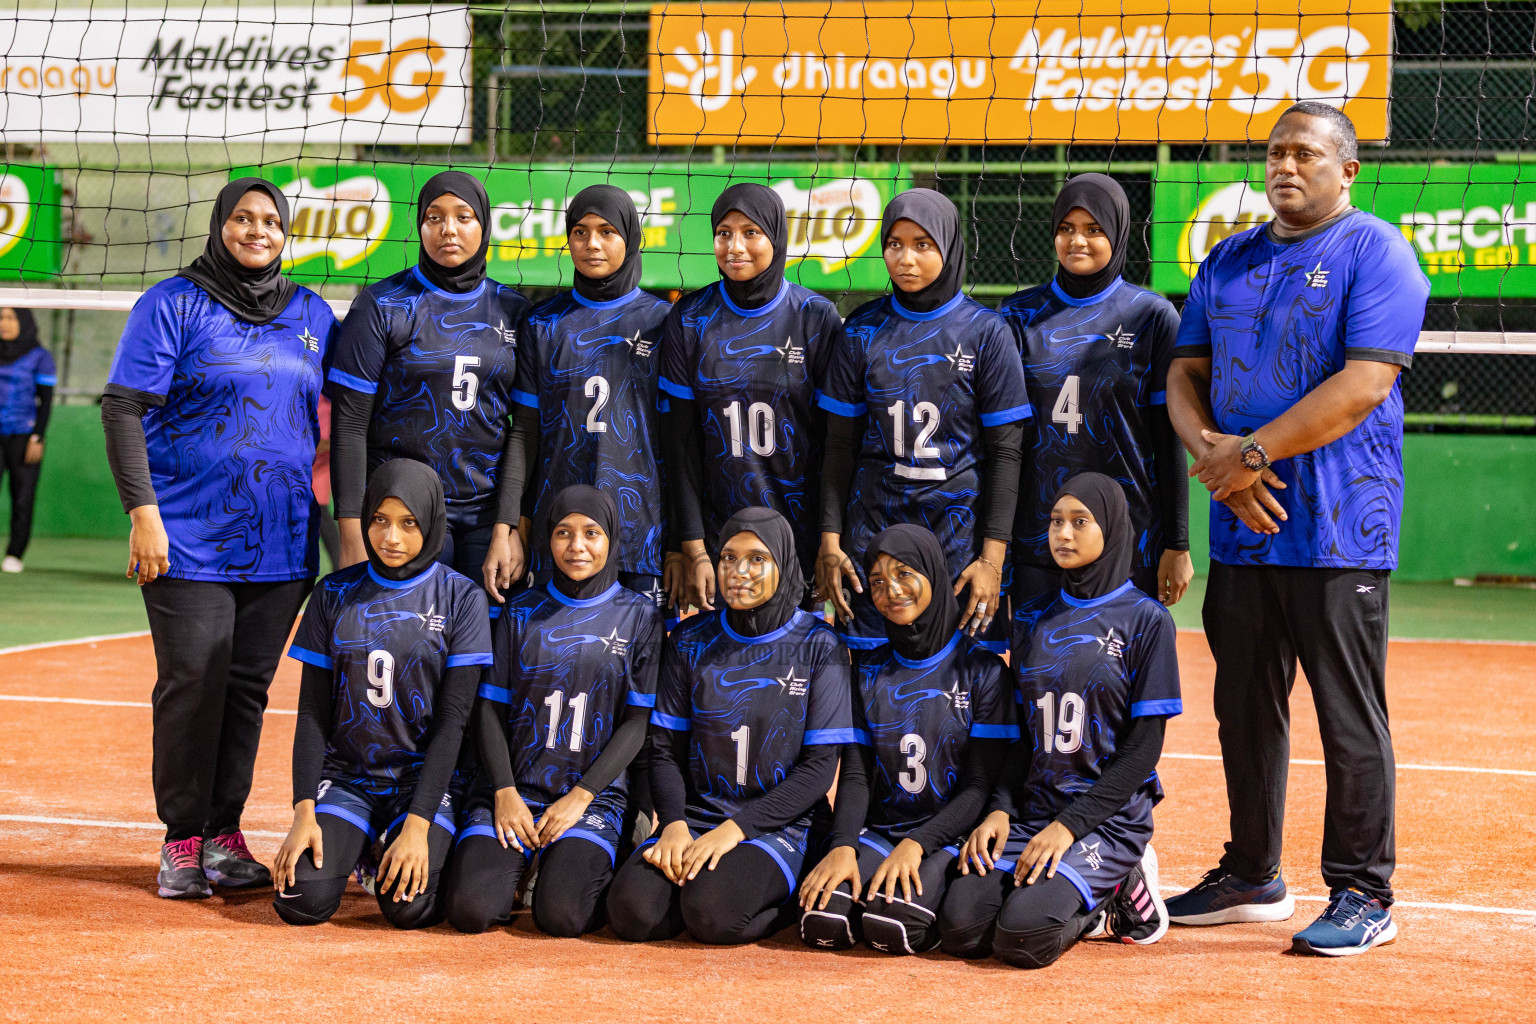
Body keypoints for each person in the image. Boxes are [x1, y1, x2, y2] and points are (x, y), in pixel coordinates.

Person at [1163, 101, 1430, 957]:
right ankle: (1252, 874)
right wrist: (1223, 465)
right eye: (1276, 152)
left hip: (1341, 526)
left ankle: (1364, 891)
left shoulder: (1377, 251)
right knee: (1243, 708)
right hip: (1244, 527)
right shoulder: (1229, 258)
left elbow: (1364, 384)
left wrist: (1244, 455)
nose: (1286, 166)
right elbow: (1183, 374)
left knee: (1349, 717)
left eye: (1306, 154)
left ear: (1346, 169)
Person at [101, 178, 337, 899]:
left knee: (245, 692)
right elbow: (122, 407)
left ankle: (226, 831)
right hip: (187, 538)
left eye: (271, 220)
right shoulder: (171, 304)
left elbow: (330, 419)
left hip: (282, 541)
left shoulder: (312, 312)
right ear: (220, 224)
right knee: (193, 685)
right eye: (243, 217)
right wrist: (143, 512)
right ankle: (182, 839)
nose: (257, 230)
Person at [939, 473, 1180, 967]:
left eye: (1079, 522)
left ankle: (1117, 885)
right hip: (1035, 813)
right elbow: (1026, 738)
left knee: (1022, 938)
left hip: (1105, 821)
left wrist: (1069, 828)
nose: (1062, 534)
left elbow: (1143, 752)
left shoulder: (1147, 620)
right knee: (961, 928)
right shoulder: (1034, 619)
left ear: (1110, 529)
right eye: (1055, 522)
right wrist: (1001, 810)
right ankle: (1070, 891)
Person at [606, 507, 854, 945]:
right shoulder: (689, 639)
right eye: (727, 557)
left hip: (781, 825)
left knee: (712, 915)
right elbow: (664, 749)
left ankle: (787, 899)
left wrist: (736, 830)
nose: (739, 571)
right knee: (631, 913)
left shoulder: (820, 644)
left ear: (783, 561)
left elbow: (818, 770)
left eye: (757, 559)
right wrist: (675, 824)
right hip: (701, 818)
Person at [272, 460, 488, 928]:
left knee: (408, 908)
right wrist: (303, 811)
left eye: (408, 524)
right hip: (350, 778)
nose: (391, 537)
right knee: (299, 899)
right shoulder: (333, 593)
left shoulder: (462, 599)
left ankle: (415, 843)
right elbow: (311, 712)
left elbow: (454, 722)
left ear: (431, 523)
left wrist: (418, 822)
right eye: (380, 520)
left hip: (422, 785)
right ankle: (366, 843)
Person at [443, 484, 662, 936]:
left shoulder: (640, 616)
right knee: (471, 911)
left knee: (561, 916)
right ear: (548, 539)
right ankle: (520, 866)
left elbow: (637, 723)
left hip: (591, 797)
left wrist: (581, 797)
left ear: (612, 539)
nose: (576, 546)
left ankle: (593, 855)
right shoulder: (520, 612)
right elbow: (488, 711)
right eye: (563, 533)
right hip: (516, 791)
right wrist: (503, 791)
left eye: (591, 533)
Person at [818, 189, 1030, 655]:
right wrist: (830, 543)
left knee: (962, 694)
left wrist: (992, 560)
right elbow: (838, 447)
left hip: (957, 539)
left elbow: (1007, 454)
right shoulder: (861, 329)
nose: (905, 258)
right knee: (869, 688)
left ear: (949, 246)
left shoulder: (986, 333)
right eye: (894, 243)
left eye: (923, 245)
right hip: (873, 539)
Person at [798, 524, 1016, 955]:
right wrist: (843, 846)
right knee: (824, 920)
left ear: (934, 573)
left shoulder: (984, 670)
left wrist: (918, 843)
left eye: (903, 574)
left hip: (951, 833)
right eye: (877, 582)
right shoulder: (865, 668)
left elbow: (978, 787)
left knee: (891, 928)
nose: (891, 591)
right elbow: (856, 775)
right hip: (881, 830)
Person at [328, 171, 531, 587]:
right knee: (407, 643)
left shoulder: (513, 310)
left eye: (463, 216)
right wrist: (350, 530)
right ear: (420, 225)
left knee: (481, 646)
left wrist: (510, 526)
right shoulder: (382, 304)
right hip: (401, 512)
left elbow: (523, 429)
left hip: (484, 514)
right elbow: (348, 426)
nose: (448, 229)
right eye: (434, 217)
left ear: (484, 225)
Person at [999, 173, 1191, 611]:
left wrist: (1177, 544)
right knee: (1037, 670)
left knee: (1119, 674)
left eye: (1093, 229)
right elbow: (1004, 441)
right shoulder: (1017, 314)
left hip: (1129, 532)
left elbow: (1167, 439)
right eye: (1066, 229)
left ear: (1118, 233)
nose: (1077, 241)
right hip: (1039, 533)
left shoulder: (1152, 316)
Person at [659, 184, 843, 614]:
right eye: (724, 233)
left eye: (751, 233)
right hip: (719, 538)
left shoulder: (815, 317)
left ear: (776, 237)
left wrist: (828, 540)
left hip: (798, 534)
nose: (735, 247)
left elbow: (836, 443)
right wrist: (693, 549)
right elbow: (680, 445)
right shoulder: (689, 318)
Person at [494, 185, 671, 611]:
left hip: (640, 531)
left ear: (630, 238)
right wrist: (509, 525)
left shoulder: (665, 322)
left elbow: (681, 441)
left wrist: (685, 543)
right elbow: (525, 434)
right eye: (579, 231)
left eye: (607, 231)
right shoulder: (543, 322)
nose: (591, 243)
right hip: (558, 529)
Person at [0, 307, 55, 573]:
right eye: (0, 318)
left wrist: (38, 437)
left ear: (23, 321)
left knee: (22, 497)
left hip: (24, 436)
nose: (4, 324)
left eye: (10, 318)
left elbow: (46, 401)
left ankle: (14, 554)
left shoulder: (40, 357)